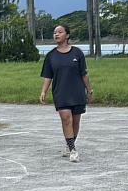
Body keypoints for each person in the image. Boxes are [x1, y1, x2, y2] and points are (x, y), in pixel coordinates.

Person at [39, 24, 92, 163]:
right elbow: (47, 76)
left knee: (75, 121)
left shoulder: (77, 53)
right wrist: (43, 91)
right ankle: (73, 150)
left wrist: (89, 90)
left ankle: (69, 144)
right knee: (66, 118)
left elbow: (84, 74)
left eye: (60, 32)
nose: (56, 34)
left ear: (67, 35)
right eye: (55, 32)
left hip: (77, 91)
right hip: (60, 92)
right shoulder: (51, 56)